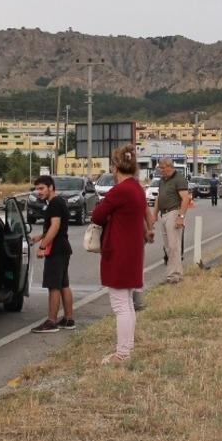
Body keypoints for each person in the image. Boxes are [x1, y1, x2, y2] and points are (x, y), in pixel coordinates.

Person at [91, 144, 155, 364]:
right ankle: (126, 347)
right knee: (127, 303)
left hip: (119, 251)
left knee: (120, 305)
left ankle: (122, 353)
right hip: (132, 250)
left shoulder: (120, 190)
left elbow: (97, 215)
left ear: (115, 167)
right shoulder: (137, 188)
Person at [30, 175, 74, 334]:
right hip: (63, 248)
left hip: (56, 249)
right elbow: (55, 227)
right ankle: (68, 319)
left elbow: (55, 227)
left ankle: (51, 322)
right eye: (37, 189)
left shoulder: (54, 204)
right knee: (63, 284)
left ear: (51, 187)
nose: (39, 192)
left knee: (53, 286)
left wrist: (42, 246)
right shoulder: (59, 202)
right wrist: (39, 237)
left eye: (42, 188)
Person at [154, 158, 192, 283]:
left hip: (173, 213)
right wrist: (154, 214)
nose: (161, 170)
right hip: (163, 214)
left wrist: (181, 217)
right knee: (168, 247)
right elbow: (159, 197)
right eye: (159, 168)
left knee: (173, 246)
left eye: (162, 168)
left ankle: (174, 275)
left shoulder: (179, 179)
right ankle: (175, 273)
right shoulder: (162, 180)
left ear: (170, 166)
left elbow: (185, 199)